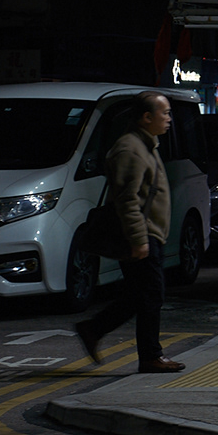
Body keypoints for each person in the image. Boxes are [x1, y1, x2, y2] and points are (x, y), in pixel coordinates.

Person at [73, 92, 180, 373]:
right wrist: (139, 239)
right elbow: (126, 199)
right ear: (147, 117)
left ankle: (94, 329)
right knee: (150, 295)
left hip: (150, 234)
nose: (169, 118)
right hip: (142, 235)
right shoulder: (130, 149)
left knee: (139, 295)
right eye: (164, 113)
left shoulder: (145, 145)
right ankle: (149, 356)